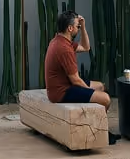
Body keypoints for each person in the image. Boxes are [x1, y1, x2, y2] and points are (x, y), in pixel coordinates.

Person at [44, 10, 120, 145]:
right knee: (105, 99)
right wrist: (90, 93)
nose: (78, 29)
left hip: (64, 85)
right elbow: (76, 80)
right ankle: (97, 132)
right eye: (77, 27)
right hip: (61, 92)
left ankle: (99, 128)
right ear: (70, 28)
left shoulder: (60, 40)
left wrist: (83, 26)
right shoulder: (64, 49)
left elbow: (86, 47)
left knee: (101, 86)